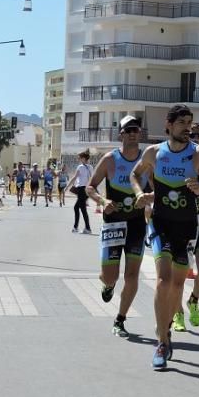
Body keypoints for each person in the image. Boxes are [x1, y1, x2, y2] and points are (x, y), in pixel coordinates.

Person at [128, 104, 199, 370]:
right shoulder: (154, 152)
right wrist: (139, 194)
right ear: (168, 126)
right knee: (162, 281)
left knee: (177, 286)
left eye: (190, 122)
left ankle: (167, 327)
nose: (187, 128)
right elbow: (135, 174)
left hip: (188, 227)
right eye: (182, 122)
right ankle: (161, 340)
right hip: (160, 223)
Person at [86, 116, 149, 338]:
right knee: (109, 276)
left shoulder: (147, 160)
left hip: (137, 225)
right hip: (113, 224)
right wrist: (103, 201)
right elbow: (90, 187)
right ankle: (108, 285)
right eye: (128, 130)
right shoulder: (109, 159)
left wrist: (149, 199)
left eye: (136, 129)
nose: (133, 133)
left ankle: (120, 319)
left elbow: (159, 189)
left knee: (132, 275)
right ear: (120, 134)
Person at [173, 123, 199, 332]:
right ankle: (178, 313)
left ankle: (194, 300)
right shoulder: (178, 159)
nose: (196, 137)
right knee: (178, 277)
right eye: (192, 134)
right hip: (181, 226)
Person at [71, 151, 93, 234]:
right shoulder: (90, 167)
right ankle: (76, 227)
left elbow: (74, 177)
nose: (78, 159)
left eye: (79, 158)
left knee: (82, 209)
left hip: (81, 189)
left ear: (83, 158)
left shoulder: (80, 167)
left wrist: (67, 187)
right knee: (77, 207)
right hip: (87, 189)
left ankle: (87, 228)